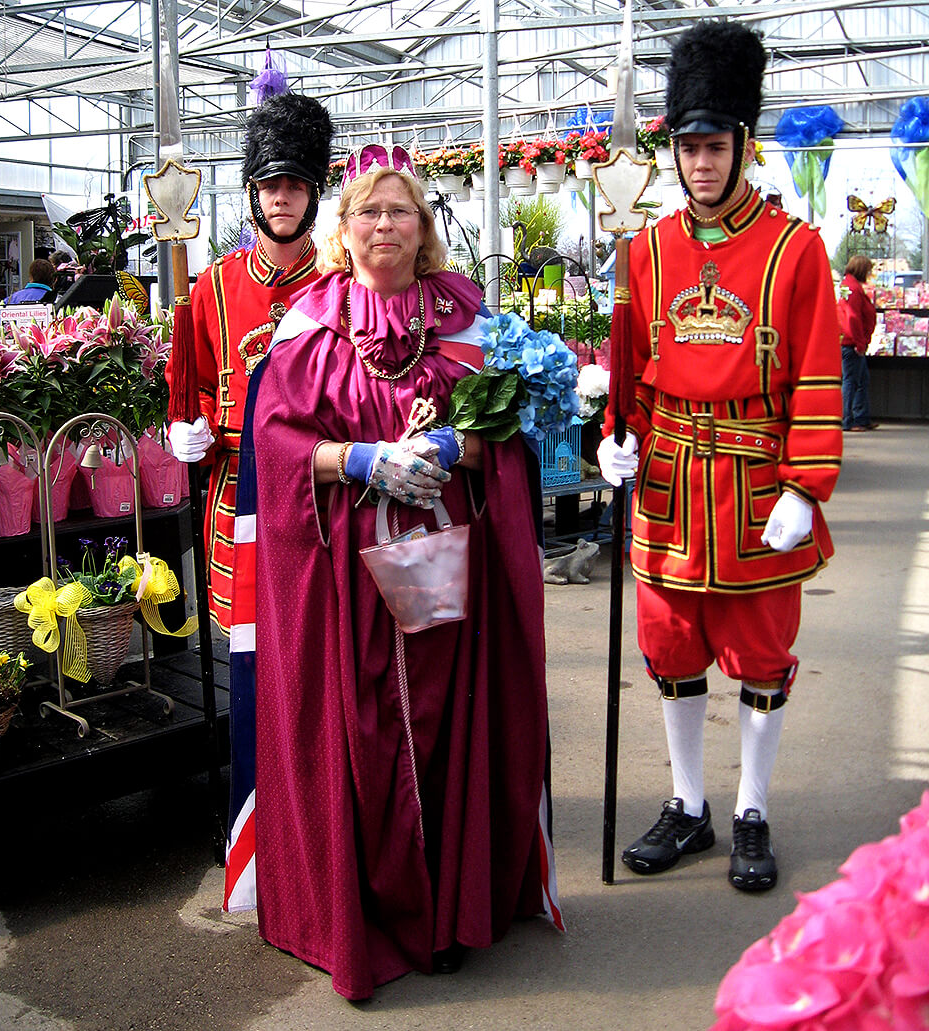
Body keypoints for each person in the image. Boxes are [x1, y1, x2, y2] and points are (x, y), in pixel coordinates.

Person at [232, 144, 559, 1000]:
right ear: (344, 228)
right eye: (369, 211)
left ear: (425, 228)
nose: (384, 224)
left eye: (401, 211)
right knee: (366, 735)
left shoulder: (469, 320)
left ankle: (448, 910)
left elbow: (516, 437)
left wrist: (463, 443)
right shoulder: (309, 323)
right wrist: (361, 459)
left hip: (449, 566)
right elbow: (275, 442)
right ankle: (369, 910)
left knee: (446, 726)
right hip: (349, 579)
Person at [597, 20, 842, 893]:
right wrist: (613, 439)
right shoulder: (647, 251)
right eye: (688, 147)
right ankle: (690, 805)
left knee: (762, 656)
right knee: (669, 649)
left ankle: (751, 811)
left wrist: (806, 487)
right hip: (668, 486)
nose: (700, 163)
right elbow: (628, 370)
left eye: (715, 145)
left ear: (744, 142)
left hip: (752, 489)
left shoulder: (796, 249)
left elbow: (817, 370)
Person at [165, 91, 332, 632]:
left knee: (311, 634)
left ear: (314, 194)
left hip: (317, 482)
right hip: (235, 481)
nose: (282, 198)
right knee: (245, 639)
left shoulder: (341, 285)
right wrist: (191, 425)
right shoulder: (215, 282)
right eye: (270, 185)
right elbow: (194, 380)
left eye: (296, 185)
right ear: (252, 192)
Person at [838, 254, 879, 431]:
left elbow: (845, 311)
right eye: (868, 270)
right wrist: (860, 343)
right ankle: (848, 420)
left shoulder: (846, 285)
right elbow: (853, 316)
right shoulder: (853, 288)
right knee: (852, 381)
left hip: (849, 340)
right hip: (853, 343)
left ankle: (860, 418)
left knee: (860, 380)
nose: (869, 274)